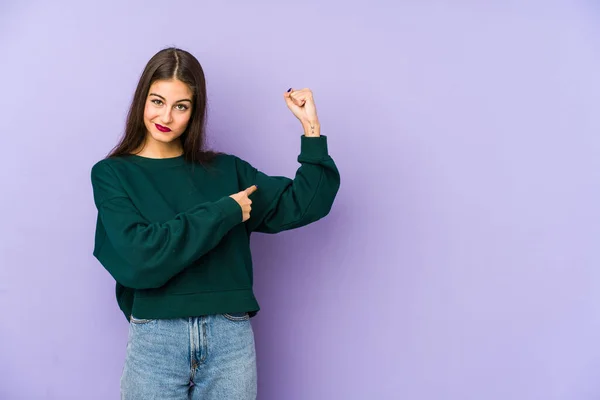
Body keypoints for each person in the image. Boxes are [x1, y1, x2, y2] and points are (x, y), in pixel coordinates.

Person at [90, 47, 340, 399]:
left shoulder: (226, 171)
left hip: (229, 338)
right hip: (156, 339)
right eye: (157, 101)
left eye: (181, 106)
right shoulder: (113, 174)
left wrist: (311, 129)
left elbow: (304, 204)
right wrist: (225, 212)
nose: (167, 116)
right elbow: (139, 257)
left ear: (194, 112)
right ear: (141, 101)